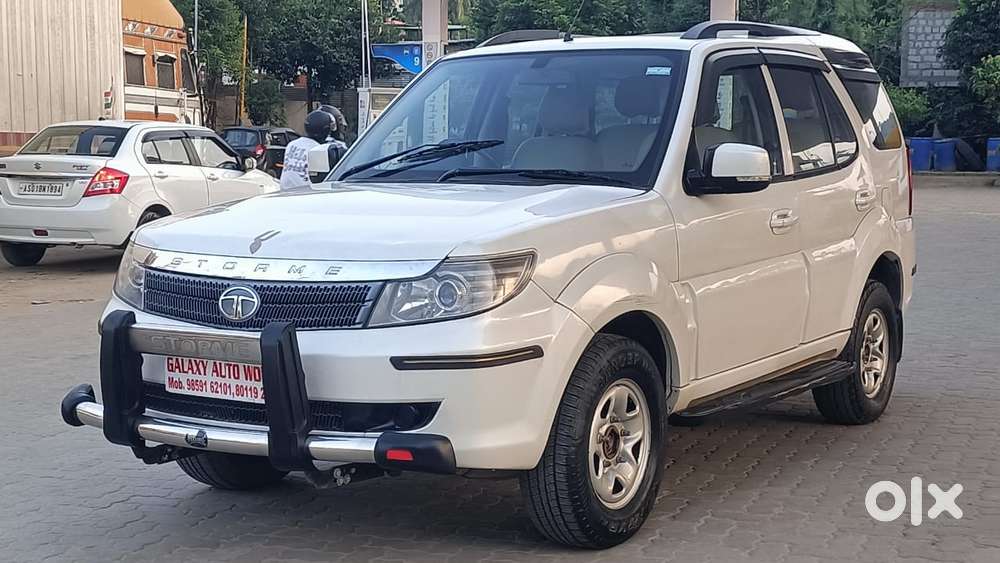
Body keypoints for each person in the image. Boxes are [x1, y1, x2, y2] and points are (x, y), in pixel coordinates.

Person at [280, 110, 333, 190]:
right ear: (326, 130)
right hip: (306, 194)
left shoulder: (292, 145)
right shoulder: (319, 150)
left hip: (284, 191)